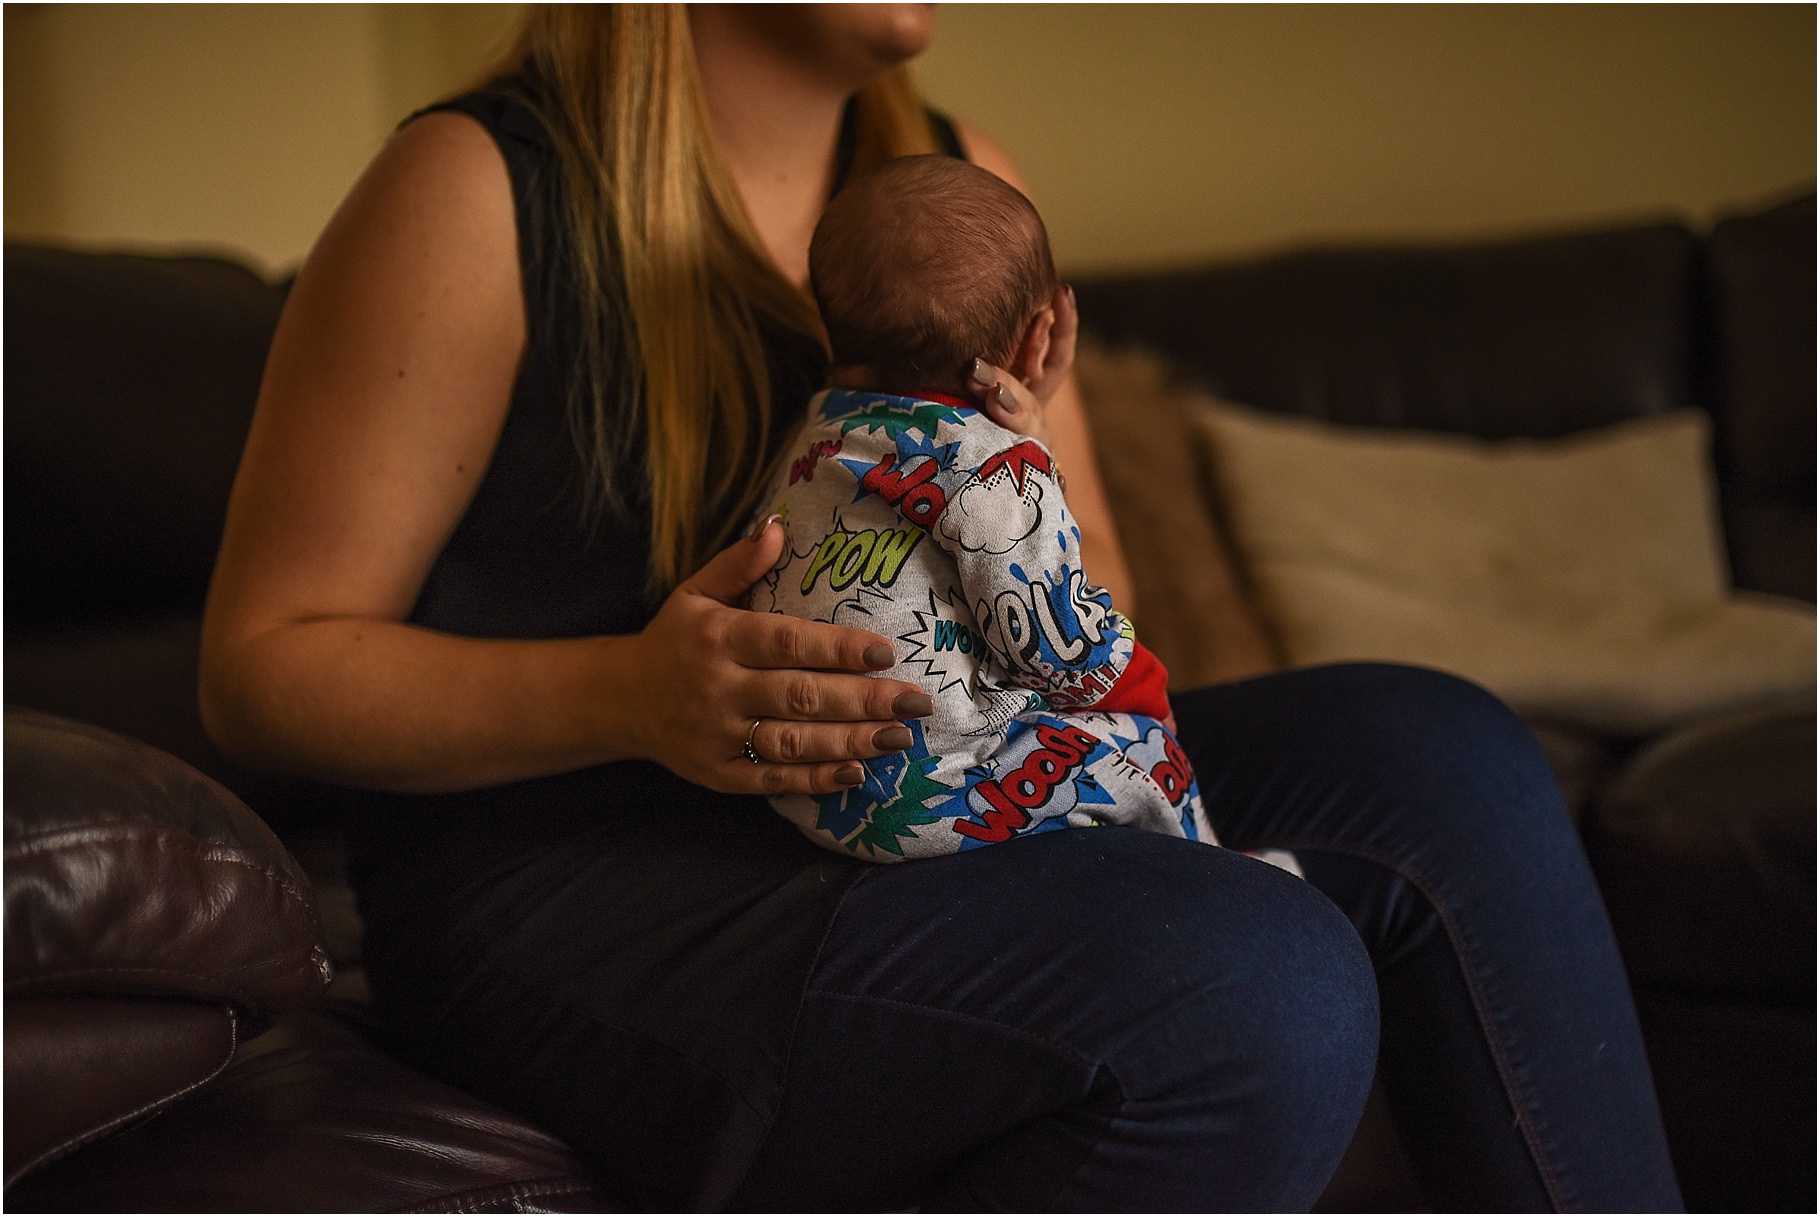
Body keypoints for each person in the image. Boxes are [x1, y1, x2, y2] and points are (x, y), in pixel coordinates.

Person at [198, 4, 1683, 1210]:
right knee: (1257, 980)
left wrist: (1014, 476)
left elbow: (1088, 603)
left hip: (918, 784)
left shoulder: (966, 182)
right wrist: (630, 697)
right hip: (589, 885)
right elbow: (260, 669)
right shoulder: (473, 186)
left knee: (1444, 752)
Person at [753, 153, 1211, 860]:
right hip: (946, 790)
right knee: (1151, 756)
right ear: (1039, 338)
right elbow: (1054, 647)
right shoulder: (1000, 469)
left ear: (827, 331)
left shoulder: (814, 440)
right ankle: (1220, 872)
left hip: (812, 793)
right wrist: (1143, 683)